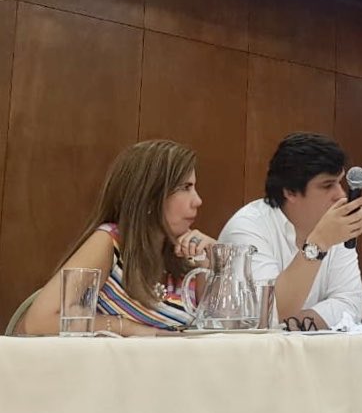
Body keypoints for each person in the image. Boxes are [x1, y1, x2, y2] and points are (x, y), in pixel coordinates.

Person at [21, 139, 216, 336]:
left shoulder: (188, 257)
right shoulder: (110, 242)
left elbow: (217, 333)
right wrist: (133, 329)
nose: (198, 201)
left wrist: (215, 260)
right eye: (185, 187)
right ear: (150, 197)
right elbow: (38, 321)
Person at [219, 133, 362, 329]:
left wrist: (296, 324)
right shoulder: (246, 228)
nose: (340, 195)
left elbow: (351, 303)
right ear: (290, 191)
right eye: (327, 185)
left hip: (310, 347)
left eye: (339, 183)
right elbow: (265, 313)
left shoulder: (335, 227)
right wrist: (317, 245)